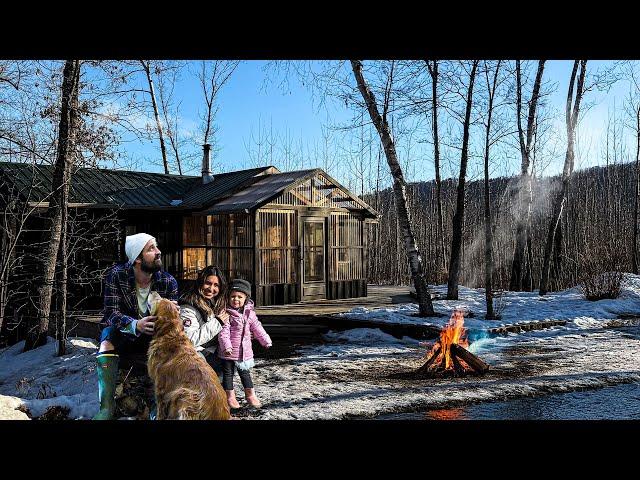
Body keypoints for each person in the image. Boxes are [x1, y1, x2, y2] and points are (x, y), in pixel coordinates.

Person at [93, 233, 179, 420]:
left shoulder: (168, 281)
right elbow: (111, 313)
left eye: (156, 247)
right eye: (151, 249)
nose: (158, 252)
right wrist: (134, 324)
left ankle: (160, 407)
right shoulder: (116, 275)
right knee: (106, 338)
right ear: (137, 259)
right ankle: (106, 407)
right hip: (125, 332)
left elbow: (170, 319)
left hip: (154, 336)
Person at [218, 279, 272, 409]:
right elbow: (223, 332)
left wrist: (265, 340)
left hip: (244, 352)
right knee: (228, 374)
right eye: (232, 296)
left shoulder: (250, 314)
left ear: (246, 298)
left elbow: (257, 328)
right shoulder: (226, 313)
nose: (235, 299)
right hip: (228, 352)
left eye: (239, 297)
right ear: (228, 297)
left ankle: (250, 395)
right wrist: (227, 346)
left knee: (245, 374)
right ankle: (230, 396)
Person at [179, 265, 229, 377]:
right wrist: (217, 323)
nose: (211, 289)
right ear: (200, 282)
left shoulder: (215, 303)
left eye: (216, 285)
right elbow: (189, 340)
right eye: (208, 283)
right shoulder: (188, 307)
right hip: (193, 354)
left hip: (211, 351)